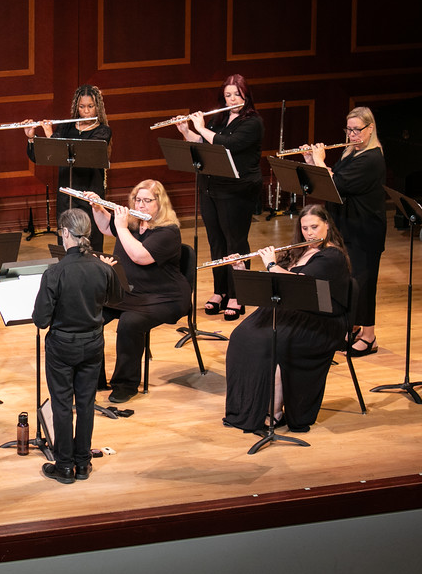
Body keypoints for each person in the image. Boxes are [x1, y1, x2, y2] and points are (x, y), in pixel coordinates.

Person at [223, 204, 351, 433]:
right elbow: (267, 288)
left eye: (315, 227)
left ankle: (274, 412)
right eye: (305, 228)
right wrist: (241, 269)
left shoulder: (332, 256)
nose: (310, 233)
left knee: (269, 343)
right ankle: (247, 407)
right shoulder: (298, 251)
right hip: (290, 312)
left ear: (328, 226)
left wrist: (271, 264)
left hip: (320, 321)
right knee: (242, 336)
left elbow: (296, 285)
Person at [33, 209, 121, 484]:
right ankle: (83, 463)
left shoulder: (55, 272)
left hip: (62, 346)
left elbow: (41, 320)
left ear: (66, 233)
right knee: (86, 403)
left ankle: (64, 466)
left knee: (62, 405)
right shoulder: (103, 268)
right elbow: (116, 303)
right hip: (93, 343)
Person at [88, 180, 191, 404]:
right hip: (130, 291)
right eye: (137, 199)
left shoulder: (168, 231)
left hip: (164, 296)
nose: (141, 205)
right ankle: (93, 379)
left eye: (147, 201)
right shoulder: (134, 224)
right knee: (91, 315)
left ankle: (126, 384)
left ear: (159, 203)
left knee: (130, 323)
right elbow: (107, 228)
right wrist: (98, 207)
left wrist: (122, 227)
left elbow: (139, 256)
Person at [175, 74, 263, 321]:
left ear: (246, 95)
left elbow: (227, 145)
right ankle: (221, 291)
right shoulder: (219, 118)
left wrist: (201, 126)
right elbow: (204, 144)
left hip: (237, 189)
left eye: (236, 94)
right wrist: (186, 131)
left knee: (235, 242)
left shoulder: (253, 123)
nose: (232, 99)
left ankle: (239, 295)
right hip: (211, 186)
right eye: (228, 95)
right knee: (216, 241)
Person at [303, 106, 386, 356]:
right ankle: (352, 327)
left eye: (356, 130)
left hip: (364, 230)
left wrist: (319, 160)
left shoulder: (372, 158)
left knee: (363, 282)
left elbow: (337, 184)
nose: (351, 135)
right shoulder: (352, 153)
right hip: (345, 225)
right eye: (348, 129)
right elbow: (331, 179)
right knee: (347, 280)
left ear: (370, 129)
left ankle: (369, 336)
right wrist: (311, 162)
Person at [23, 84, 113, 253]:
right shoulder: (66, 127)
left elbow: (84, 158)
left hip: (90, 193)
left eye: (90, 107)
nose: (86, 111)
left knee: (90, 235)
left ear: (97, 107)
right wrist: (32, 138)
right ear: (76, 107)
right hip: (66, 193)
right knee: (67, 234)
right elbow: (44, 156)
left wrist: (50, 135)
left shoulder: (103, 131)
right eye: (82, 107)